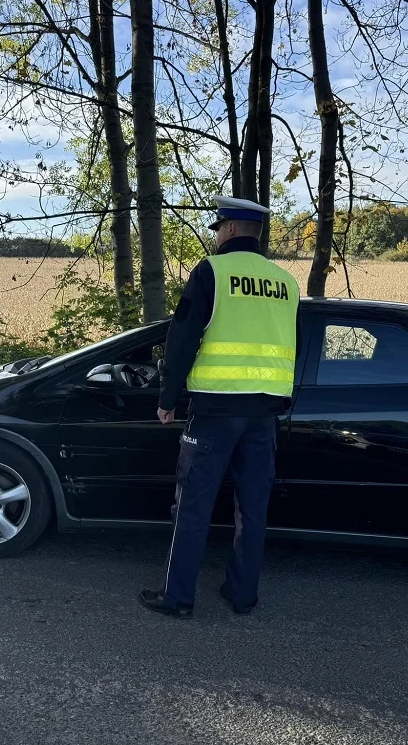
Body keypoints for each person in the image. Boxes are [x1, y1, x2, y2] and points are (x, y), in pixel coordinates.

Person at [139, 195, 301, 618]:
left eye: (218, 229)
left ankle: (178, 598)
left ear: (228, 228)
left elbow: (182, 338)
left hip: (215, 410)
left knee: (193, 505)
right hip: (265, 413)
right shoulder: (286, 282)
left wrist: (167, 399)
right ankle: (243, 595)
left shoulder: (212, 271)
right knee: (253, 508)